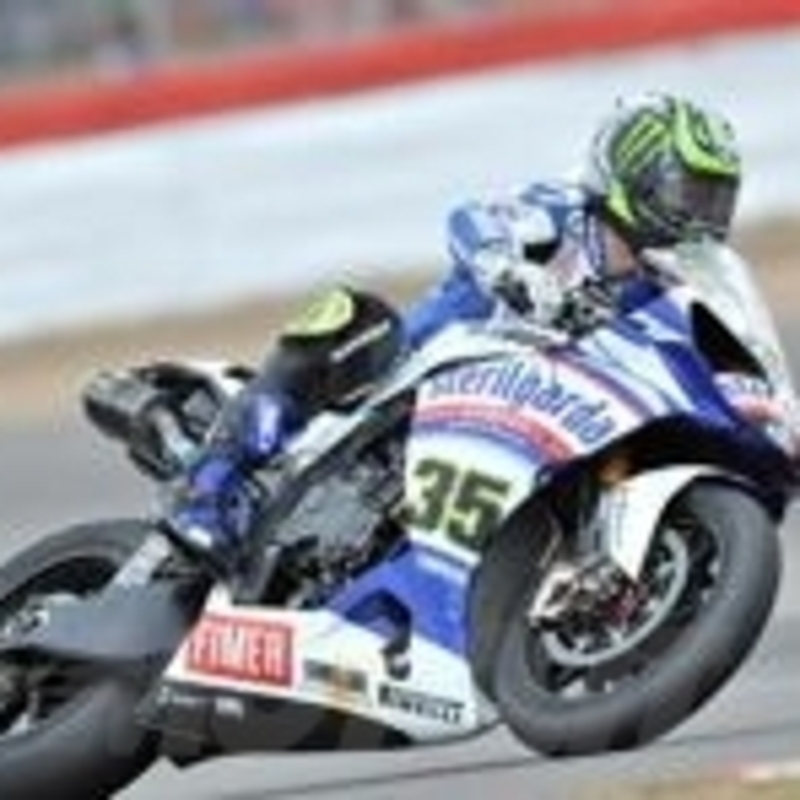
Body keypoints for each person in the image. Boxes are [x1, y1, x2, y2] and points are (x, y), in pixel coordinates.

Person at [163, 91, 745, 578]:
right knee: (352, 314)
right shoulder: (567, 212)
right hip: (418, 373)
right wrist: (507, 268)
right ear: (636, 175)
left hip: (523, 424)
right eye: (693, 194)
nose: (704, 216)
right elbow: (473, 219)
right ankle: (208, 486)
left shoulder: (659, 289)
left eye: (717, 200)